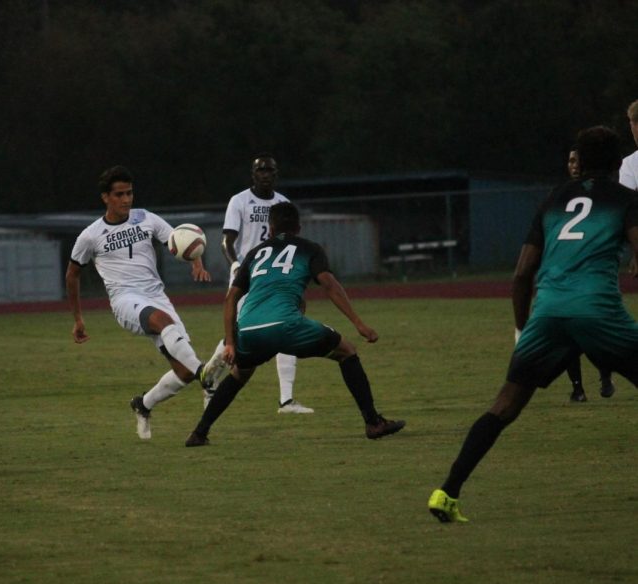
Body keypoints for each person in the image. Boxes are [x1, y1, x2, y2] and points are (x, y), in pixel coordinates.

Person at [428, 126, 638, 523]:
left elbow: (522, 274)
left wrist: (524, 330)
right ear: (615, 164)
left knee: (504, 406)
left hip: (548, 311)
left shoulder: (553, 200)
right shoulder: (626, 200)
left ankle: (447, 491)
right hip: (597, 309)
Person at [185, 202, 406, 447]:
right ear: (299, 227)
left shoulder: (256, 252)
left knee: (239, 374)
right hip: (286, 325)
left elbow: (231, 299)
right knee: (347, 351)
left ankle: (199, 433)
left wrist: (229, 341)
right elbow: (330, 286)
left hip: (247, 330)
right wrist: (359, 324)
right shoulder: (309, 249)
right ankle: (374, 422)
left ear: (270, 229)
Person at [66, 165, 211, 440]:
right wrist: (78, 319)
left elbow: (182, 239)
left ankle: (142, 405)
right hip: (125, 300)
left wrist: (197, 262)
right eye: (119, 194)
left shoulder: (146, 218)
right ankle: (207, 376)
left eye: (129, 193)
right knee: (166, 326)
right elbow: (72, 274)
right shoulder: (90, 235)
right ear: (105, 198)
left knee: (183, 371)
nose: (126, 200)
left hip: (156, 295)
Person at [200, 154, 313, 414]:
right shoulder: (239, 201)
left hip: (276, 275)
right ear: (253, 174)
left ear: (276, 173)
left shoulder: (283, 203)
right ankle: (212, 371)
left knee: (288, 323)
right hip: (247, 272)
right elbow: (227, 240)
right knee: (240, 332)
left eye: (270, 170)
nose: (265, 174)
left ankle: (286, 399)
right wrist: (235, 263)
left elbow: (292, 242)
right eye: (261, 170)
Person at [562, 148, 615, 401]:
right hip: (571, 275)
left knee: (589, 333)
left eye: (578, 161)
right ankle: (579, 388)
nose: (574, 165)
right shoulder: (562, 195)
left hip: (590, 274)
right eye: (571, 160)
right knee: (577, 335)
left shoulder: (590, 194)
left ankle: (601, 377)